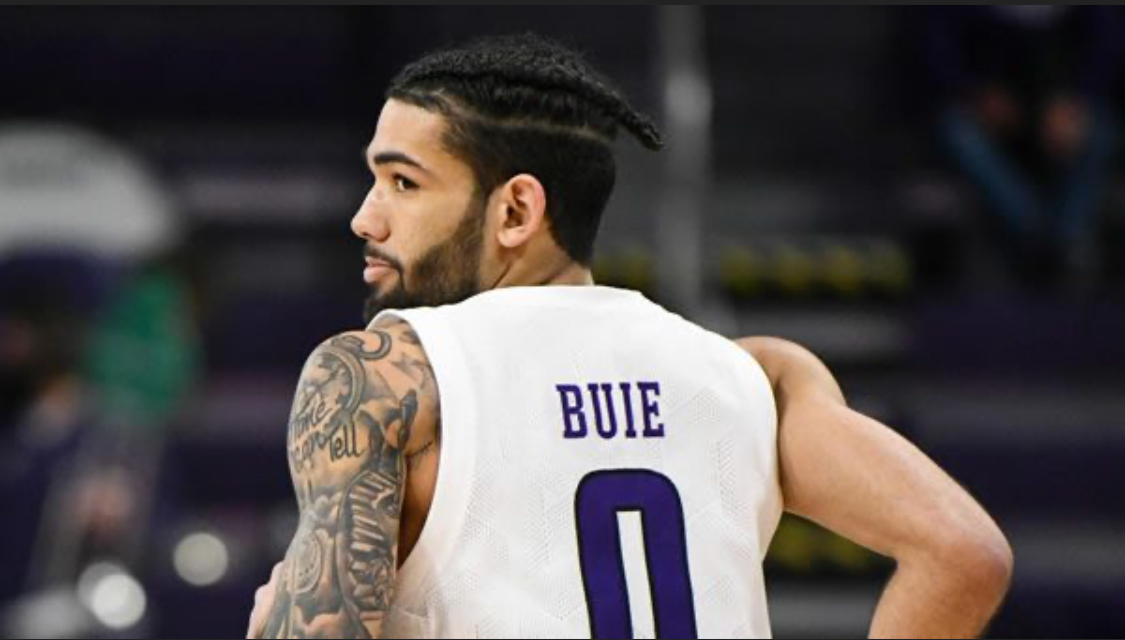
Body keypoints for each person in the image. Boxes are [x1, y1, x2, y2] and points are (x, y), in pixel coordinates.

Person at [246, 35, 1012, 639]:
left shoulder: (388, 375)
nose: (365, 218)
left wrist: (275, 617)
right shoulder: (758, 377)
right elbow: (964, 554)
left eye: (403, 183)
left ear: (515, 211)